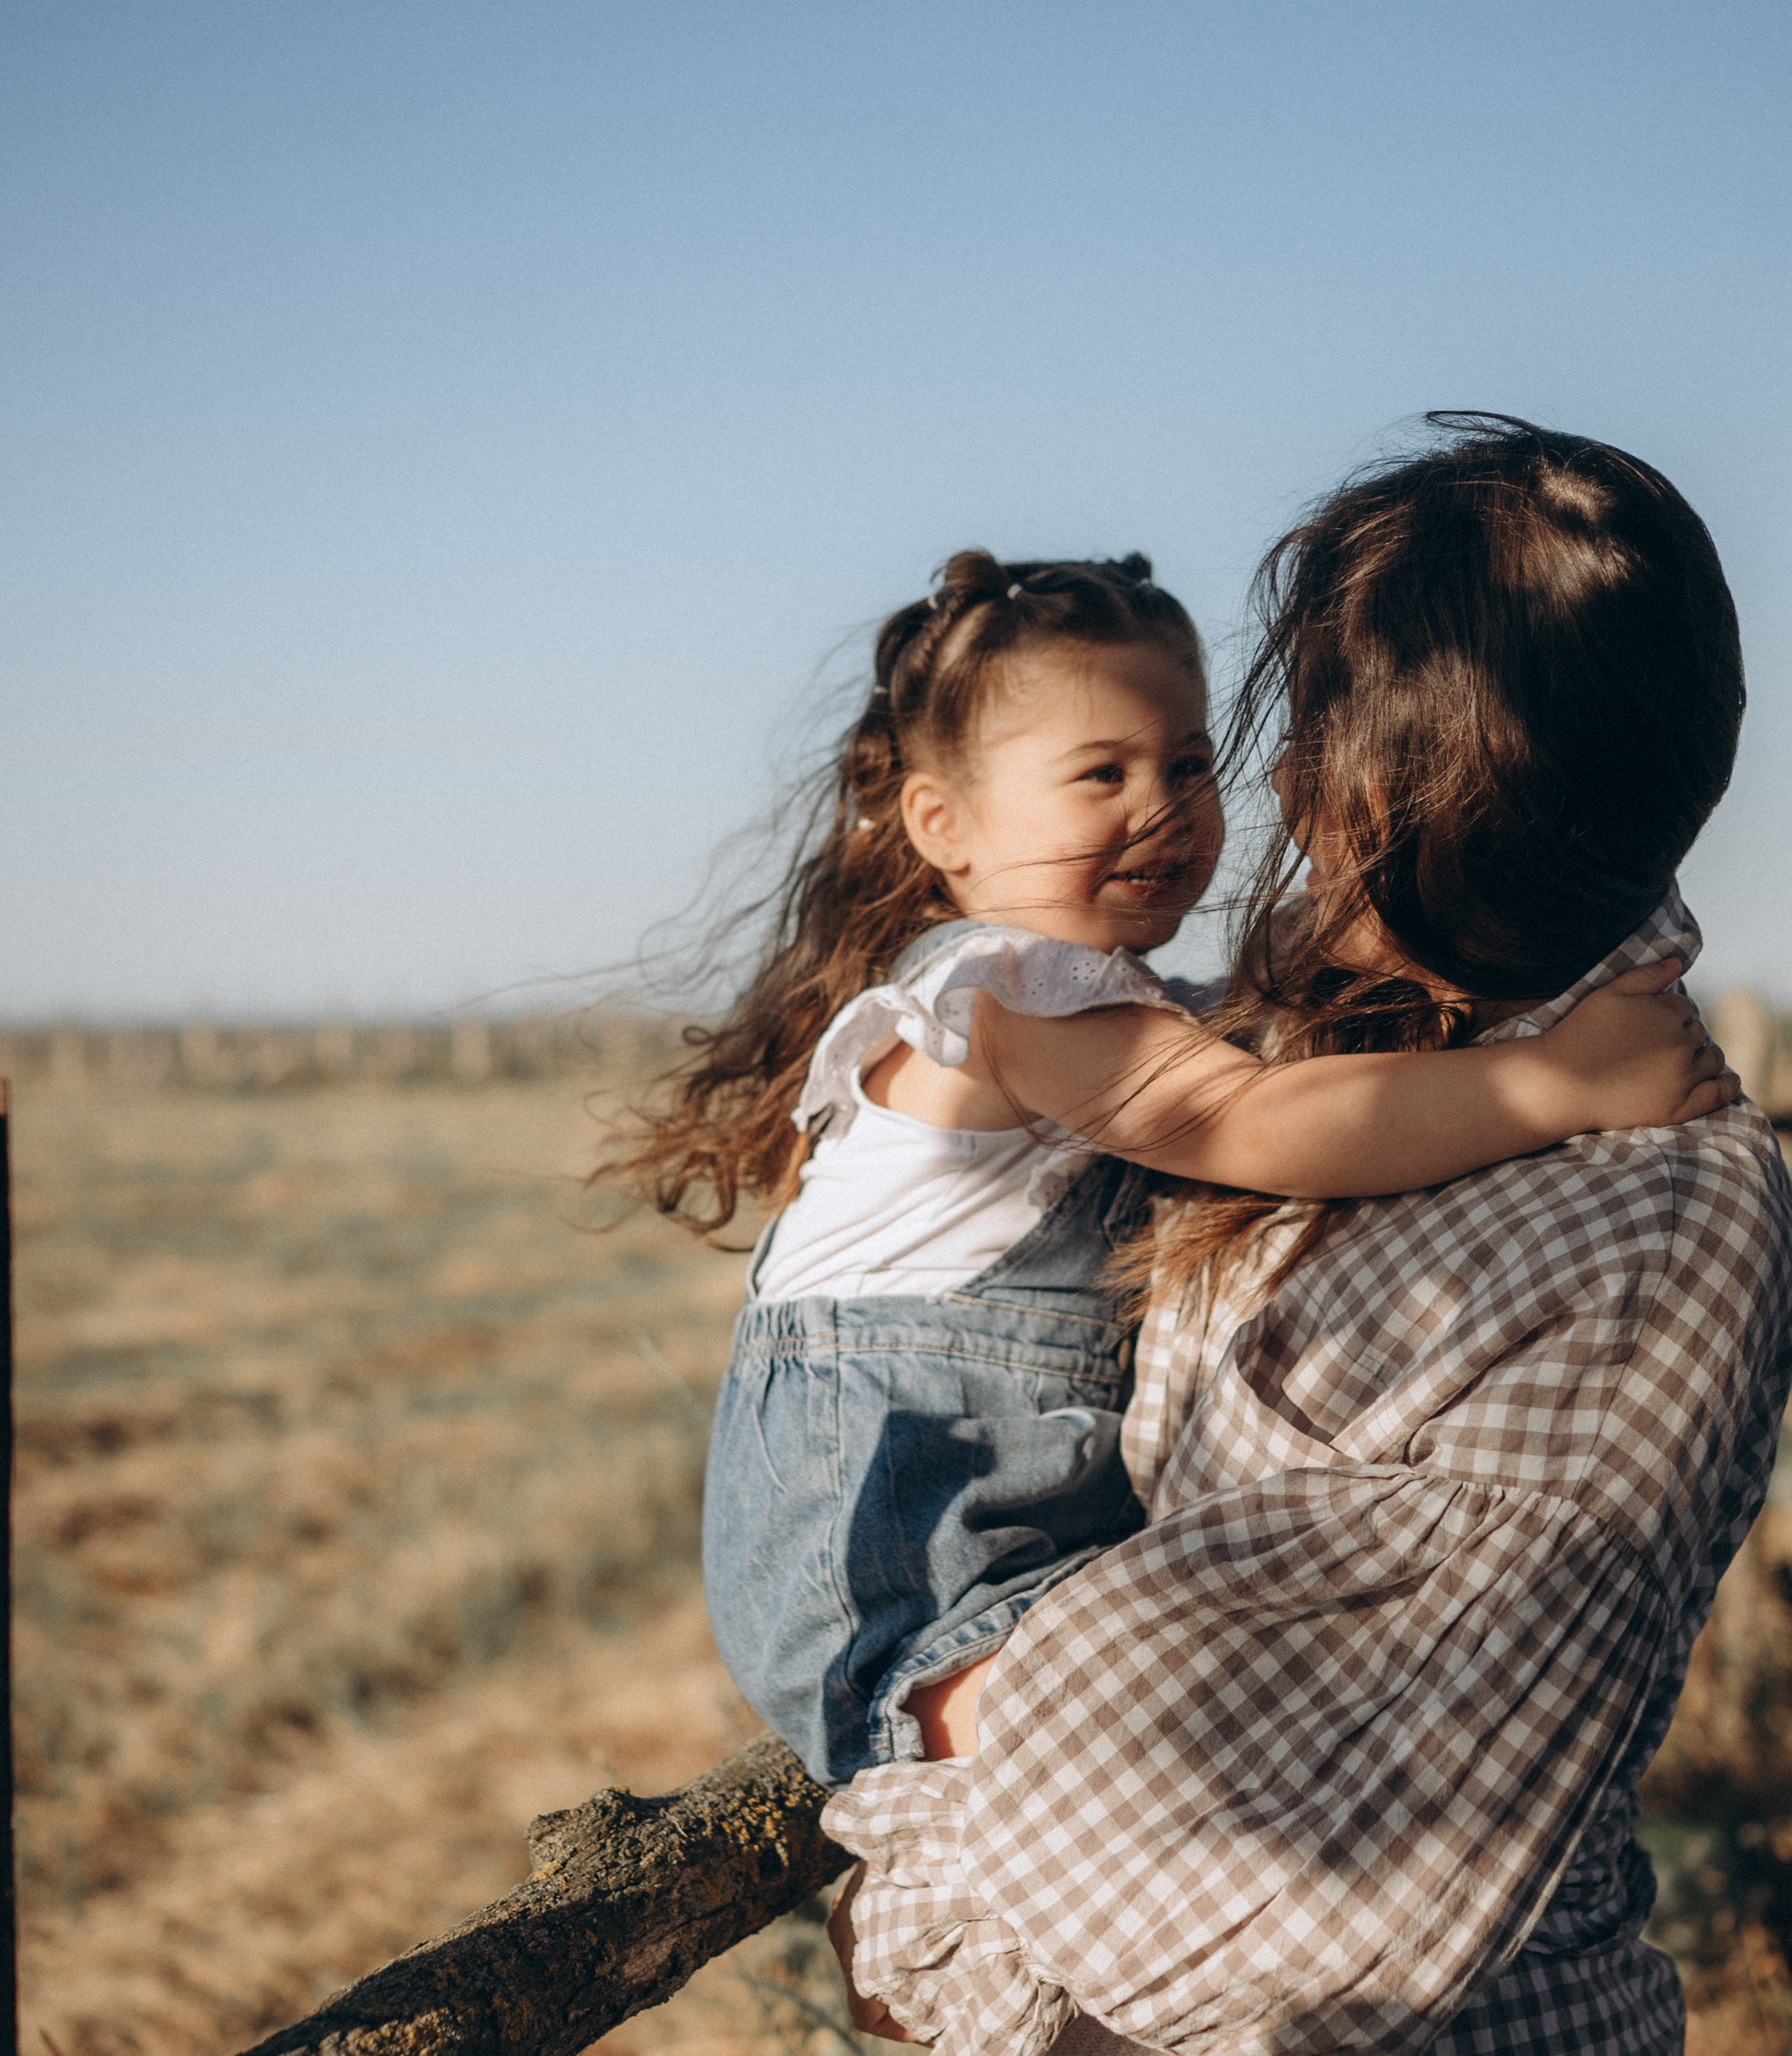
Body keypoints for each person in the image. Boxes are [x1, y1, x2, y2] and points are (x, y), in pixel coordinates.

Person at [825, 421, 1792, 2056]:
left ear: (1453, 778)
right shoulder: (1382, 1059)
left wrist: (959, 1796)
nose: (1289, 805)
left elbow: (1370, 1843)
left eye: (1331, 747)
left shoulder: (1661, 1202)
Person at [615, 545, 1728, 1791]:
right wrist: (1555, 1083)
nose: (1163, 807)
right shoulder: (1005, 995)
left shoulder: (1097, 1002)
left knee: (1185, 1760)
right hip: (904, 1546)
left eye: (1186, 763)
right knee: (1160, 1774)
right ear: (945, 826)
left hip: (1004, 1527)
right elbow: (1239, 1120)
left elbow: (1274, 1049)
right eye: (1101, 774)